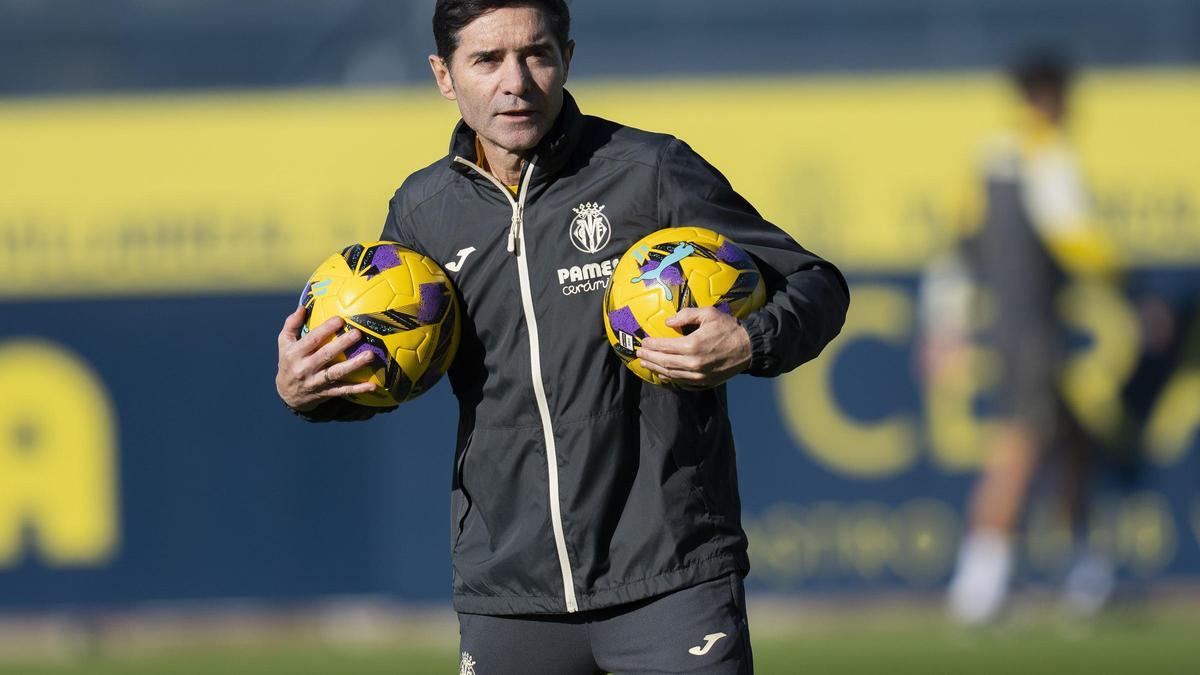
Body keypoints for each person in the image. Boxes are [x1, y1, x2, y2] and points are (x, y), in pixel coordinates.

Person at [276, 1, 848, 671]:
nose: (515, 82)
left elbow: (815, 283)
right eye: (487, 60)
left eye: (536, 54)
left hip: (670, 574)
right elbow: (389, 369)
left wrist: (750, 340)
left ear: (567, 59)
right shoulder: (423, 210)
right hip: (509, 595)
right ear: (444, 75)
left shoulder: (648, 170)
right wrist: (311, 388)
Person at [920, 52, 1122, 624]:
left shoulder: (992, 158)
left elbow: (959, 250)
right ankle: (979, 587)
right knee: (1020, 445)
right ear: (1050, 97)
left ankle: (1084, 573)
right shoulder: (1045, 157)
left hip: (1017, 329)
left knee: (1073, 444)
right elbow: (1080, 240)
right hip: (1030, 332)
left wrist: (945, 325)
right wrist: (1130, 285)